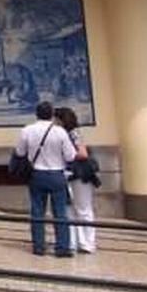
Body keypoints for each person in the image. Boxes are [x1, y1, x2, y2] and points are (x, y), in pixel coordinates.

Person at [14, 100, 77, 257]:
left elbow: (20, 153)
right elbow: (70, 156)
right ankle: (62, 247)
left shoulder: (27, 130)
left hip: (37, 174)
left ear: (36, 114)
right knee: (60, 213)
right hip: (57, 174)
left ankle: (39, 246)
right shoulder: (60, 132)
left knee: (37, 211)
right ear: (51, 115)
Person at [56, 106, 98, 254]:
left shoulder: (74, 133)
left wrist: (68, 155)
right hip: (69, 174)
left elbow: (83, 153)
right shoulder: (64, 134)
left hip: (79, 174)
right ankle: (77, 241)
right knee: (71, 209)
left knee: (82, 208)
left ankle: (88, 242)